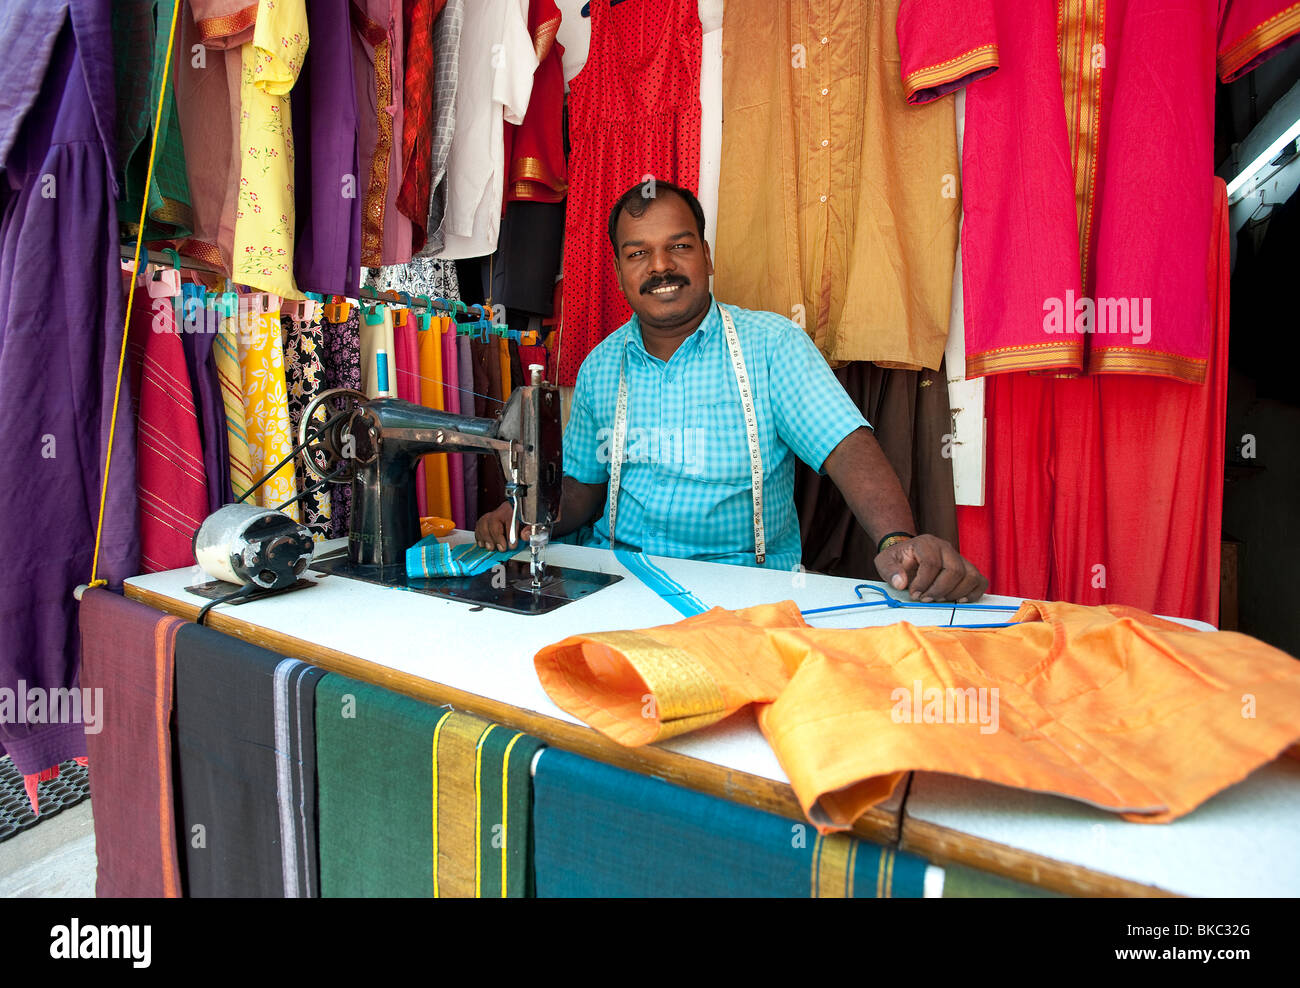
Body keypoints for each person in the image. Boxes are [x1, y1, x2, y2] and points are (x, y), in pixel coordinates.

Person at [476, 179, 987, 602]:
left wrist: (896, 539)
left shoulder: (771, 346)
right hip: (618, 581)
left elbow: (847, 447)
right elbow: (584, 489)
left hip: (746, 590)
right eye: (638, 254)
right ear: (619, 272)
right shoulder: (602, 365)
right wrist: (526, 511)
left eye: (678, 246)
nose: (659, 267)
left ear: (707, 256)